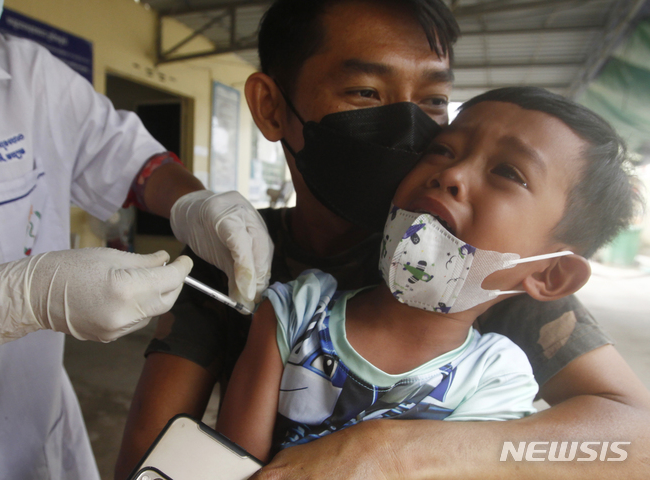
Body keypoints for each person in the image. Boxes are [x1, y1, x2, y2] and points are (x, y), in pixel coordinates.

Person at [118, 1, 650, 478]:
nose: (411, 125)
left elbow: (635, 438)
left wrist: (396, 451)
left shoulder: (482, 272)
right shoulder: (233, 255)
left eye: (435, 99)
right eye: (366, 92)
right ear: (272, 107)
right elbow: (150, 455)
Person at [0, 1, 273, 478]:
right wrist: (18, 299)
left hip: (36, 434)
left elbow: (131, 161)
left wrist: (192, 205)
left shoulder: (29, 75)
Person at [215, 86, 637, 462]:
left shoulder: (497, 379)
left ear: (551, 276)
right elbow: (228, 465)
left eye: (508, 172)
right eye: (443, 150)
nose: (451, 174)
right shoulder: (297, 309)